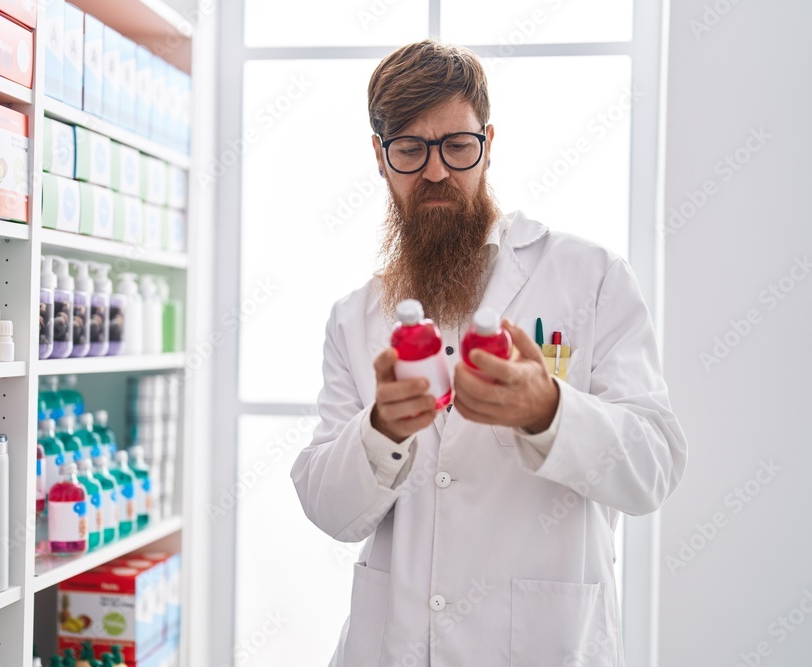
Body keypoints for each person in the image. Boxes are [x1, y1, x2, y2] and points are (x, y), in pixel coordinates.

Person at [291, 39, 687, 666]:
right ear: (379, 155)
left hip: (541, 642)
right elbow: (329, 510)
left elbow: (654, 468)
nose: (437, 171)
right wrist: (381, 431)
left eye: (456, 145)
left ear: (489, 143)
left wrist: (549, 410)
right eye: (410, 149)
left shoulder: (591, 276)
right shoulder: (354, 317)